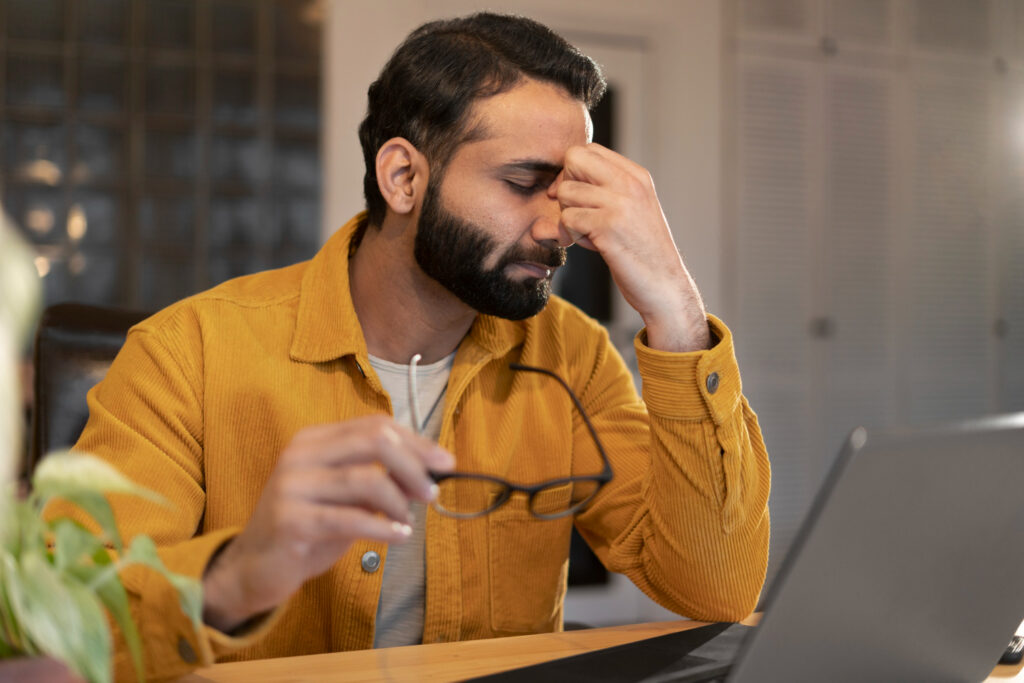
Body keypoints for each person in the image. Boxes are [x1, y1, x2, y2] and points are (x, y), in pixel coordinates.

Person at [65, 12, 770, 680]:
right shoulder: (185, 353)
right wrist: (238, 573)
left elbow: (714, 589)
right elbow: (64, 637)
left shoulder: (572, 355)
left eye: (572, 188)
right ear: (402, 177)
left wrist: (676, 311)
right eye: (525, 182)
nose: (561, 227)